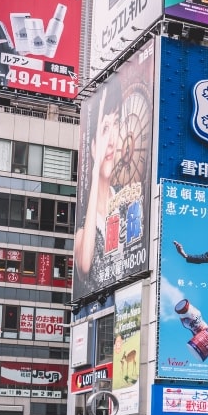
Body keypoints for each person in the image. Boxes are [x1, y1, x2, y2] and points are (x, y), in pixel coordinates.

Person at [74, 78, 123, 297]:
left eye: (117, 124)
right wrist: (94, 173)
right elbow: (85, 266)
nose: (112, 139)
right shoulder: (82, 232)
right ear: (92, 146)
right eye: (104, 128)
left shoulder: (129, 199)